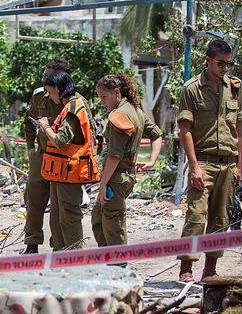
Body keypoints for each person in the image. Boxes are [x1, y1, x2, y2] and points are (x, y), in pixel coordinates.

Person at [176, 39, 242, 282]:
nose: (226, 68)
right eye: (221, 63)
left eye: (229, 64)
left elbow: (238, 131)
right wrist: (194, 167)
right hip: (203, 161)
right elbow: (185, 130)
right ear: (208, 61)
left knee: (221, 219)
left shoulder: (235, 88)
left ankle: (210, 270)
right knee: (196, 214)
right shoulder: (191, 89)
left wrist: (238, 166)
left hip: (228, 163)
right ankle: (186, 268)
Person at [91, 74, 163, 253]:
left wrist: (103, 184)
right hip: (124, 176)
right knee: (99, 218)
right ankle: (108, 260)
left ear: (116, 92)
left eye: (104, 97)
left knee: (113, 225)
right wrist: (152, 160)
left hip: (115, 178)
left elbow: (114, 156)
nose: (102, 101)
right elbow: (157, 135)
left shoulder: (119, 115)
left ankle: (118, 266)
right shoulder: (136, 111)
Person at [37, 70, 100, 251]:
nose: (49, 96)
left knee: (69, 217)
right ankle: (60, 256)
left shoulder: (74, 109)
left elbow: (59, 141)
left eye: (50, 91)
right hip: (60, 174)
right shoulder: (68, 108)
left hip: (70, 174)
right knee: (57, 217)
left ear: (58, 88)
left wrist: (45, 127)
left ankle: (74, 258)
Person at [22, 59, 73, 254]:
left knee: (58, 207)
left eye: (48, 77)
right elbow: (28, 123)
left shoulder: (72, 101)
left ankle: (58, 246)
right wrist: (30, 149)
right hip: (41, 156)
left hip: (61, 160)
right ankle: (31, 243)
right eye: (43, 76)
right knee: (34, 200)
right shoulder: (39, 97)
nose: (43, 80)